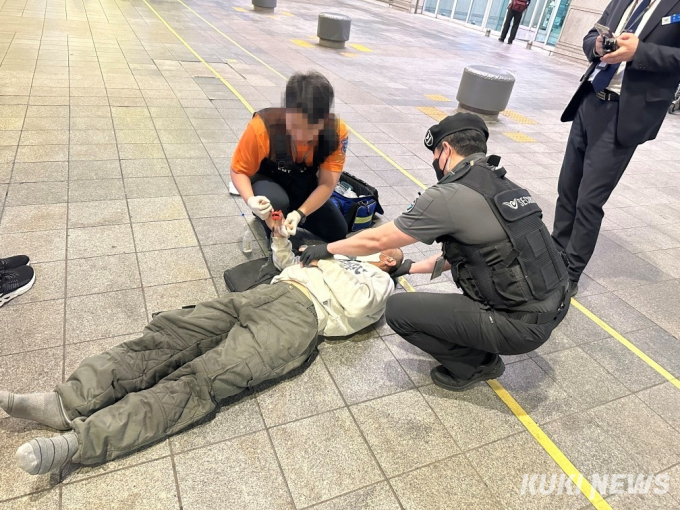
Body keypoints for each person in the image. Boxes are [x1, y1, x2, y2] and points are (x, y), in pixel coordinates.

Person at [1, 213, 402, 476]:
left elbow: (357, 306)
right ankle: (65, 401)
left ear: (389, 262)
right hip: (262, 294)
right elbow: (285, 265)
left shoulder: (378, 283)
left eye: (387, 249)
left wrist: (332, 254)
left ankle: (83, 440)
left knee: (203, 377)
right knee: (168, 336)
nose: (376, 244)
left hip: (300, 318)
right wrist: (282, 240)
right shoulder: (339, 252)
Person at [300, 114, 571, 392]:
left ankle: (474, 365)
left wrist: (327, 249)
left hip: (519, 325)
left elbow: (378, 239)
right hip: (554, 307)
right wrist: (407, 268)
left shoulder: (450, 195)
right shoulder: (504, 186)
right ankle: (483, 345)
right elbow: (473, 255)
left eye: (435, 154)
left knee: (398, 310)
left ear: (446, 150)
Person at [553, 0, 680, 296]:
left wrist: (641, 52)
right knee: (567, 188)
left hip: (624, 112)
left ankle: (570, 272)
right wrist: (596, 46)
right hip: (590, 99)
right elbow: (589, 36)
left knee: (588, 200)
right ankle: (554, 253)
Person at [230, 70, 350, 243]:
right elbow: (238, 170)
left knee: (337, 231)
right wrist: (251, 200)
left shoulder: (336, 132)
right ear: (285, 111)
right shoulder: (263, 126)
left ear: (325, 120)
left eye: (310, 129)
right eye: (293, 125)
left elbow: (327, 183)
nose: (300, 135)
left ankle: (292, 212)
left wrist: (300, 213)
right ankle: (267, 217)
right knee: (278, 206)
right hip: (268, 183)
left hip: (304, 186)